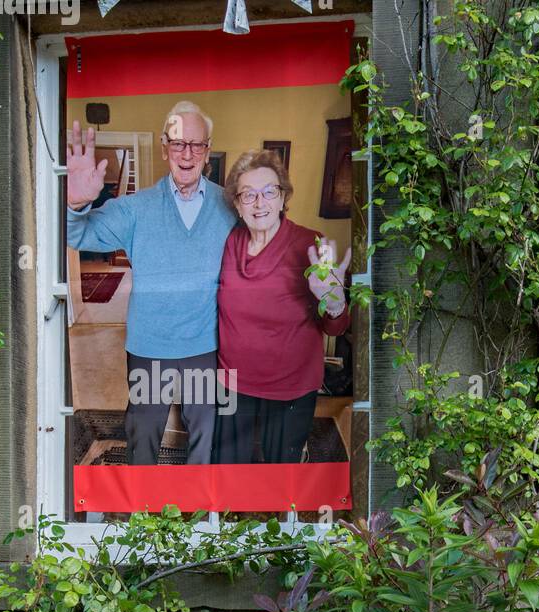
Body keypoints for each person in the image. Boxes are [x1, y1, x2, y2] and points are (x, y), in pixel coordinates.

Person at [66, 103, 236, 464]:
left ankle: (198, 502)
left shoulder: (229, 206)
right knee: (142, 437)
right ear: (164, 148)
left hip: (205, 345)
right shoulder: (135, 208)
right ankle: (140, 501)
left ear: (207, 150)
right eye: (178, 144)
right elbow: (76, 234)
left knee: (206, 439)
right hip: (150, 347)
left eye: (196, 144)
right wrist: (76, 202)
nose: (187, 154)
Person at [214, 150, 351, 464]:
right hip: (232, 381)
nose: (259, 203)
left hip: (291, 386)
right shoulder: (230, 243)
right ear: (237, 204)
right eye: (248, 194)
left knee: (281, 474)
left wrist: (334, 302)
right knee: (227, 469)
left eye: (269, 192)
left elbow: (337, 327)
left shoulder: (312, 244)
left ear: (282, 198)